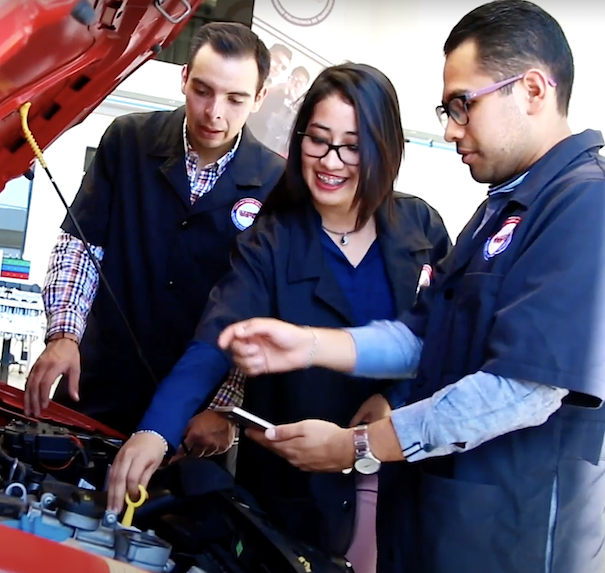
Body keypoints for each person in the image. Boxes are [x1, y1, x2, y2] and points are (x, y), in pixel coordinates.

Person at [218, 2, 605, 572]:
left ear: (531, 90)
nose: (450, 129)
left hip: (508, 541)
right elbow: (422, 336)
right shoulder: (498, 213)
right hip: (436, 527)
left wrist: (357, 447)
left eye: (462, 105)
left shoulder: (582, 205)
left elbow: (522, 389)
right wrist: (310, 344)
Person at [106, 63, 452, 573]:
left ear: (386, 148)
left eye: (353, 146)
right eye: (318, 140)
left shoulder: (420, 226)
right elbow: (215, 339)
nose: (331, 162)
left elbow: (444, 337)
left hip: (399, 480)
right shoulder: (272, 237)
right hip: (289, 494)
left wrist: (394, 399)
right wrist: (157, 430)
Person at [23, 22, 286, 435]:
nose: (215, 113)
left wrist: (224, 406)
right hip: (96, 387)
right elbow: (81, 246)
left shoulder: (276, 182)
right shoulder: (128, 141)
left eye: (235, 99)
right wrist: (64, 334)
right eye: (203, 90)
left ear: (259, 98)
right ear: (183, 78)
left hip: (195, 418)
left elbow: (262, 307)